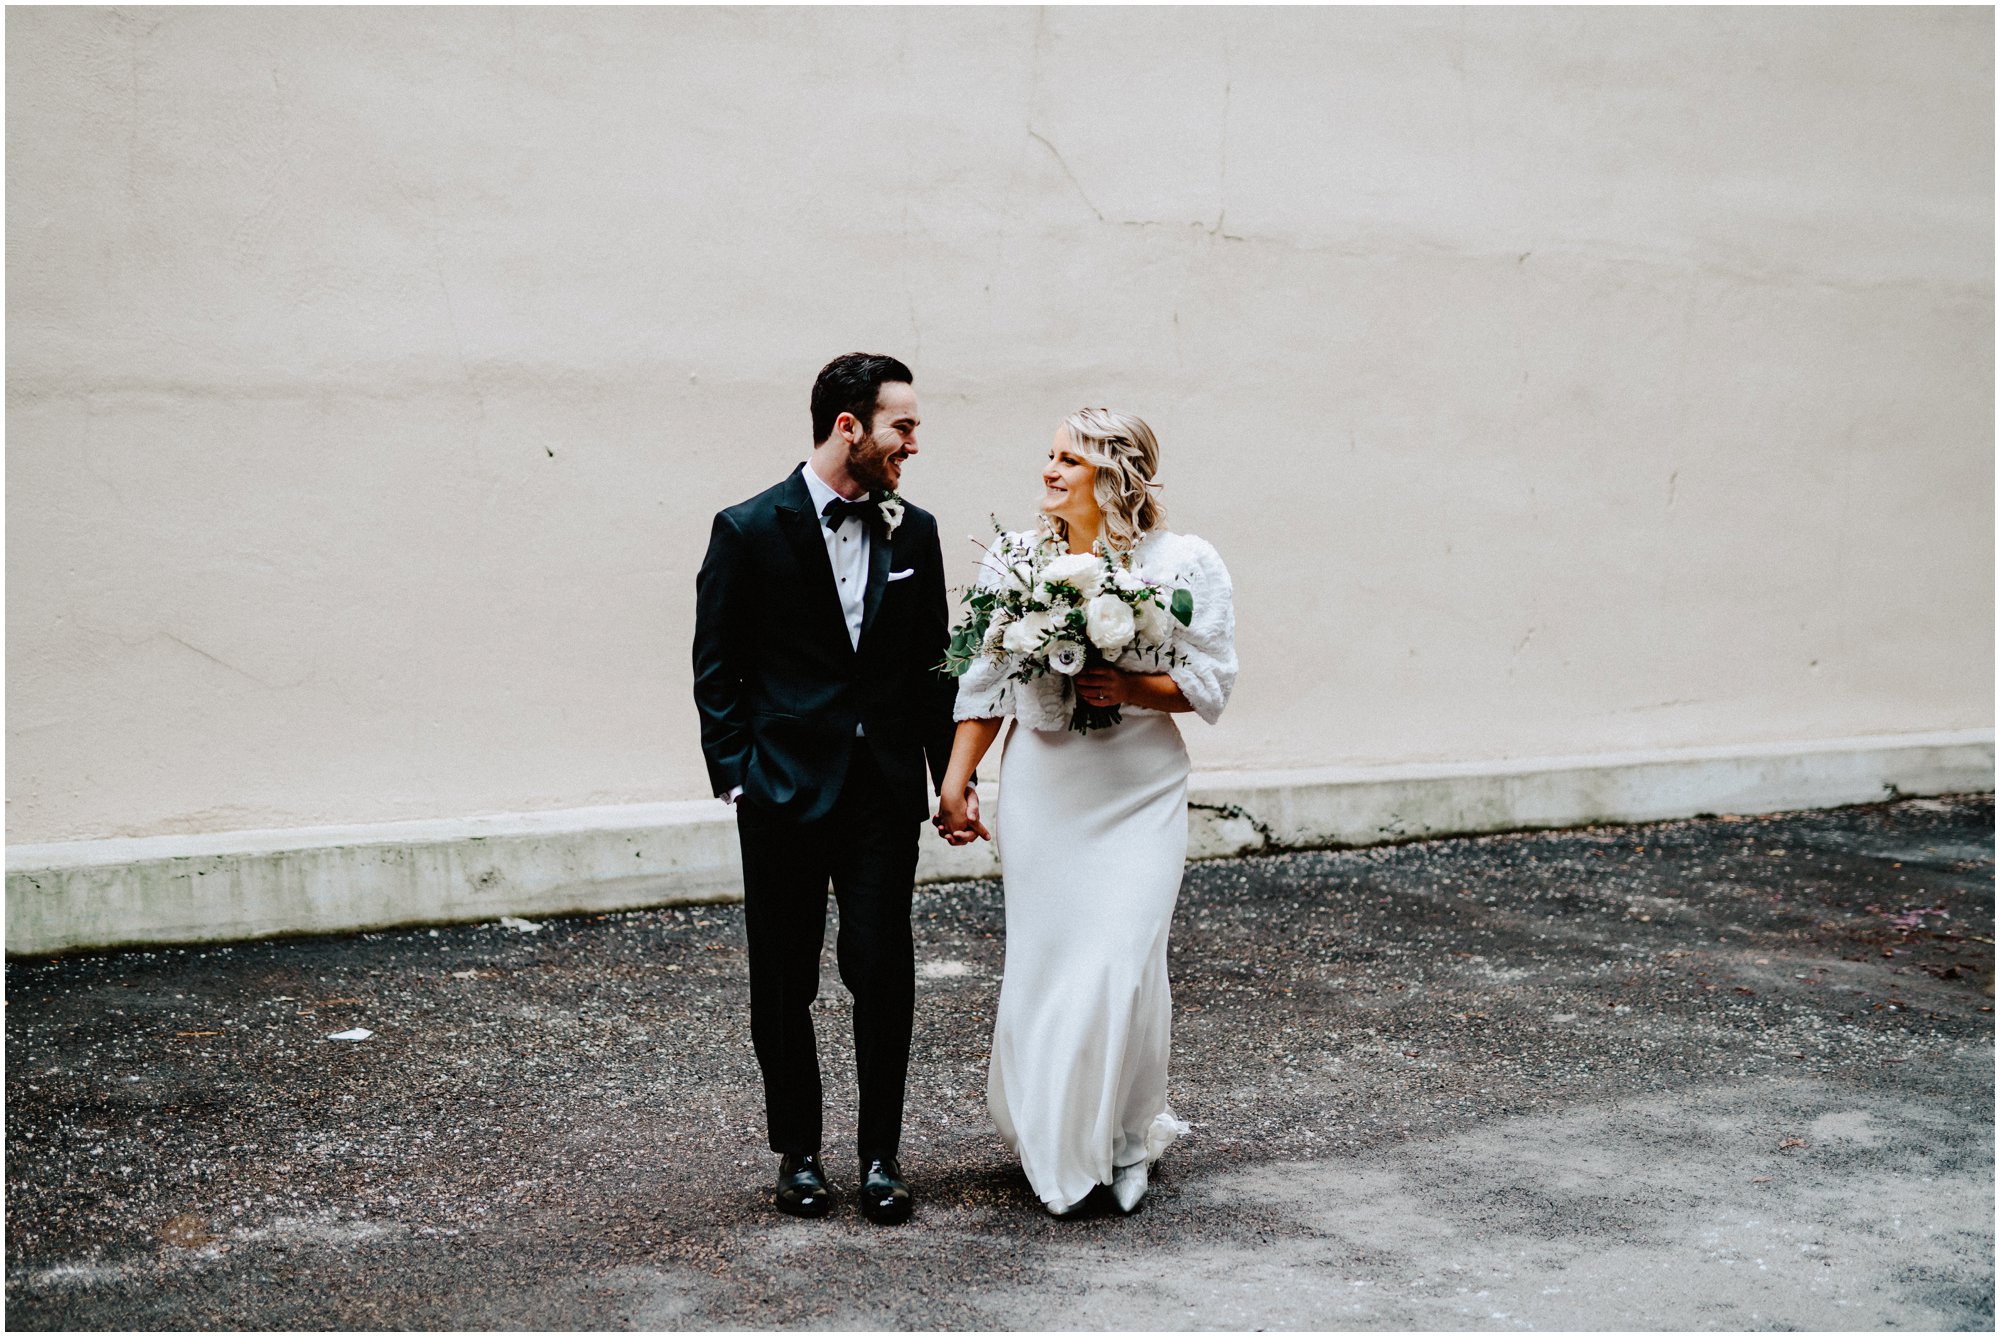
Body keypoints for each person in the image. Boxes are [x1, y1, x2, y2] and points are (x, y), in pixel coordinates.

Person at [932, 408, 1237, 1215]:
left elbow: (1212, 683)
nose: (1049, 470)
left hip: (1138, 787)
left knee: (1123, 963)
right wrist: (958, 779)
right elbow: (985, 682)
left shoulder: (1183, 562)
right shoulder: (1017, 558)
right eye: (1049, 454)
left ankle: (1129, 1137)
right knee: (1050, 960)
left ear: (1115, 474)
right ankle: (1057, 1135)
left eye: (1069, 458)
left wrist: (1129, 687)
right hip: (1046, 784)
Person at [692, 353, 970, 1225]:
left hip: (882, 792)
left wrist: (949, 781)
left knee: (882, 969)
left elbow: (936, 666)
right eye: (904, 426)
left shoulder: (914, 531)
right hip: (780, 791)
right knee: (783, 979)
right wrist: (738, 778)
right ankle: (798, 1153)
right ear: (849, 425)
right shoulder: (747, 529)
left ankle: (882, 1156)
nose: (914, 443)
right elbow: (716, 671)